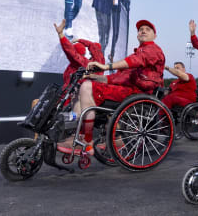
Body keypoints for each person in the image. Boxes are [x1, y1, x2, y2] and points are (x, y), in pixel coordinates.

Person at [58, 20, 164, 154]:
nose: (143, 31)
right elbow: (114, 78)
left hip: (138, 94)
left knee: (87, 87)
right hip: (129, 91)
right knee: (85, 85)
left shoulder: (152, 50)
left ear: (155, 36)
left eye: (147, 29)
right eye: (140, 29)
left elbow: (136, 61)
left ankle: (87, 141)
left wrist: (107, 66)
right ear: (137, 35)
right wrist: (94, 77)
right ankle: (83, 135)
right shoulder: (139, 52)